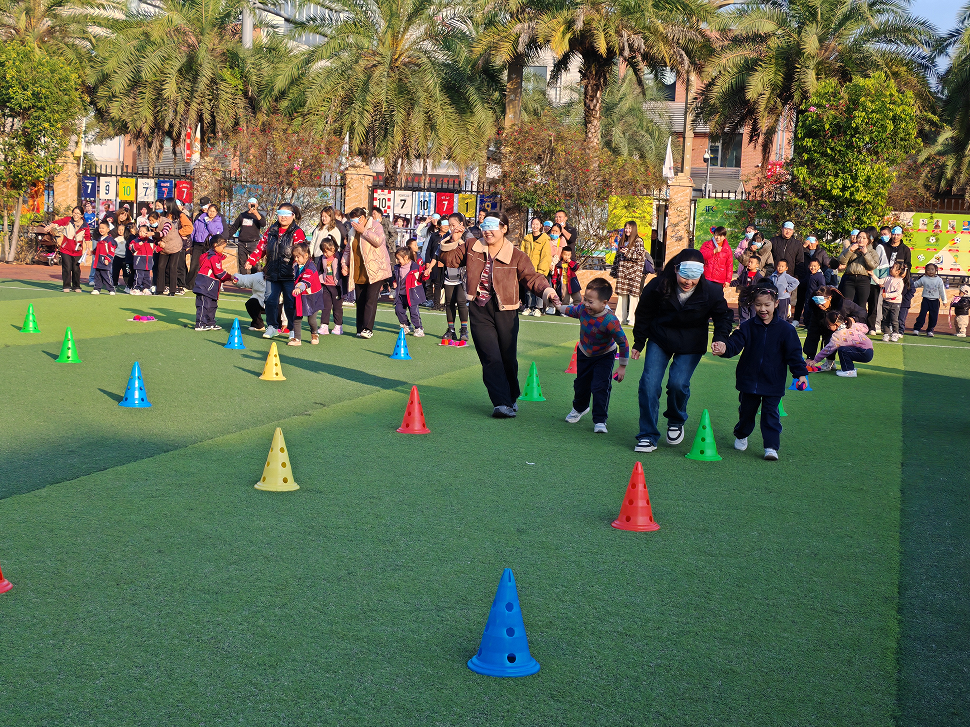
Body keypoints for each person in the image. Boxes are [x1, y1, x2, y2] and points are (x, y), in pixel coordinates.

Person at [440, 213, 561, 417]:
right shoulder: (471, 246)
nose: (487, 231)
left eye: (493, 226)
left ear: (504, 228)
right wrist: (453, 239)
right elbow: (449, 260)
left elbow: (531, 277)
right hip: (479, 308)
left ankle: (511, 396)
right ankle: (501, 403)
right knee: (490, 357)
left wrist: (548, 291)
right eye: (485, 226)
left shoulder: (516, 255)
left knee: (507, 358)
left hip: (506, 311)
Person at [630, 249, 734, 453]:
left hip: (691, 343)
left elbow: (723, 316)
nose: (689, 282)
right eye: (685, 276)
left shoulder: (711, 291)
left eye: (694, 277)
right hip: (660, 337)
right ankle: (647, 435)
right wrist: (639, 342)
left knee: (678, 383)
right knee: (649, 384)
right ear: (676, 270)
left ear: (701, 274)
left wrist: (721, 339)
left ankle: (676, 420)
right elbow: (644, 313)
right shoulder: (658, 285)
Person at [711, 284, 808, 461]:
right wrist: (723, 349)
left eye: (767, 305)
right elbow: (734, 345)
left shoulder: (786, 330)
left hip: (773, 382)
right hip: (748, 380)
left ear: (776, 304)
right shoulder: (747, 327)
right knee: (746, 412)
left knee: (771, 414)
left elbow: (794, 355)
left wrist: (801, 374)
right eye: (758, 305)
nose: (762, 309)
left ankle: (771, 447)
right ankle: (741, 434)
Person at [558, 277, 629, 434]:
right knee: (581, 384)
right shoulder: (583, 310)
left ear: (604, 303)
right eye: (585, 299)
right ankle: (580, 408)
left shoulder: (610, 320)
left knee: (600, 386)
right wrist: (558, 306)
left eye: (591, 302)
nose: (586, 304)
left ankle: (600, 420)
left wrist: (622, 366)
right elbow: (571, 310)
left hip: (604, 355)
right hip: (584, 352)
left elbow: (623, 342)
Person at [247, 203, 307, 340]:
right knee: (270, 300)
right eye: (280, 214)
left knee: (290, 302)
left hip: (290, 275)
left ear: (292, 216)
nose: (283, 217)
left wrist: (300, 268)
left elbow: (301, 252)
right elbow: (261, 247)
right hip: (272, 273)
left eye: (286, 214)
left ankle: (292, 329)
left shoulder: (297, 232)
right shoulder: (271, 230)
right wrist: (251, 260)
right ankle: (272, 327)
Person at [340, 206, 391, 339]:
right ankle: (360, 328)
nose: (353, 223)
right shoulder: (352, 232)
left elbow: (378, 241)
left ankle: (368, 329)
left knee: (370, 299)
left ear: (362, 218)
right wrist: (344, 264)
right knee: (360, 299)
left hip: (375, 270)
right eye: (351, 221)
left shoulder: (376, 226)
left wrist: (364, 231)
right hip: (359, 270)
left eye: (355, 220)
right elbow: (348, 250)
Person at [803, 285, 867, 368]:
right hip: (828, 331)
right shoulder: (816, 309)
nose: (819, 305)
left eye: (821, 301)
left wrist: (853, 319)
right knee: (827, 337)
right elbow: (812, 333)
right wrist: (810, 357)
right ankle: (830, 360)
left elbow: (862, 312)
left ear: (829, 298)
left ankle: (846, 367)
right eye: (816, 301)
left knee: (835, 341)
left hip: (847, 333)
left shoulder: (843, 304)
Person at [811, 310, 873, 377]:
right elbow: (865, 328)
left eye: (829, 325)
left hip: (864, 352)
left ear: (836, 325)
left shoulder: (837, 336)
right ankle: (848, 369)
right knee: (845, 349)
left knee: (842, 350)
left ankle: (849, 370)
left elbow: (827, 349)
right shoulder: (851, 325)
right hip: (869, 350)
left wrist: (815, 360)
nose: (827, 327)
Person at [438, 213, 470, 342]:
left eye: (453, 225)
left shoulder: (468, 236)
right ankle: (451, 329)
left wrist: (458, 239)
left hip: (462, 276)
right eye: (449, 225)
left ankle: (464, 329)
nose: (451, 228)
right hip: (449, 275)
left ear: (461, 224)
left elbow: (471, 252)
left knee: (461, 302)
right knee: (449, 302)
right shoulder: (446, 237)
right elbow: (439, 252)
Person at [192, 235, 232, 331]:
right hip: (205, 285)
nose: (223, 249)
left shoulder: (214, 257)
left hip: (212, 286)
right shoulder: (213, 257)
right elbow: (219, 273)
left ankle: (210, 323)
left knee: (212, 305)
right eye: (222, 247)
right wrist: (230, 277)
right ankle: (200, 324)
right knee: (203, 305)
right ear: (215, 245)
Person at [289, 242, 325, 346]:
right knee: (297, 317)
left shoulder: (311, 267)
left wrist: (299, 287)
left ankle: (314, 334)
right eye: (295, 256)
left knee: (311, 319)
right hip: (301, 296)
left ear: (306, 255)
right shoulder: (296, 265)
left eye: (298, 256)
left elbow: (306, 280)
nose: (296, 259)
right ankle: (297, 339)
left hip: (312, 297)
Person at [47, 206, 89, 292]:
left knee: (76, 269)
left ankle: (76, 286)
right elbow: (58, 222)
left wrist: (88, 248)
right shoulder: (68, 220)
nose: (75, 215)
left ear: (82, 215)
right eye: (74, 213)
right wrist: (50, 226)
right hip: (66, 249)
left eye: (78, 213)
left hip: (77, 250)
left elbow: (87, 237)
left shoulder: (85, 225)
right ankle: (66, 286)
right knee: (67, 267)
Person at [613, 221, 647, 326]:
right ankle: (620, 318)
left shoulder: (638, 241)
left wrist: (627, 252)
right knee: (621, 294)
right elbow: (617, 256)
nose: (627, 230)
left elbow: (640, 256)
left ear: (634, 229)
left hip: (634, 272)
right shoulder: (623, 240)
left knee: (633, 295)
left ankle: (633, 319)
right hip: (622, 272)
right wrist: (614, 270)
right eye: (626, 228)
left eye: (629, 228)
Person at [793, 235, 831, 322]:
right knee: (800, 300)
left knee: (814, 302)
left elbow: (826, 264)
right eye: (808, 242)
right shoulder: (802, 250)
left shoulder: (821, 252)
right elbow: (796, 257)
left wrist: (819, 273)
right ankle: (796, 320)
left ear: (817, 242)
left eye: (812, 242)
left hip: (815, 281)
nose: (810, 244)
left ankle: (813, 320)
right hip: (804, 277)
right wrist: (803, 247)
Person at [837, 230, 879, 308]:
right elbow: (841, 260)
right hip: (849, 278)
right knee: (846, 304)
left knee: (861, 305)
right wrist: (850, 250)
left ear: (868, 240)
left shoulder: (872, 252)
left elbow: (872, 266)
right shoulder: (851, 248)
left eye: (864, 238)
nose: (861, 240)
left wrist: (865, 253)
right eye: (859, 237)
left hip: (863, 280)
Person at [188, 203, 224, 291]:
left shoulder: (218, 222)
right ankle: (189, 285)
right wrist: (190, 244)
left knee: (207, 265)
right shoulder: (200, 219)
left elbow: (214, 232)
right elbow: (193, 231)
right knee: (194, 265)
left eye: (213, 211)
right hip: (198, 244)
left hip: (209, 245)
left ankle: (206, 284)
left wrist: (208, 222)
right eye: (210, 211)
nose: (211, 213)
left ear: (216, 213)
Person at [521, 218, 552, 315]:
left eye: (537, 224)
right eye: (533, 224)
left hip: (539, 269)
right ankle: (529, 307)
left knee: (539, 289)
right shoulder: (527, 238)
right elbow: (522, 253)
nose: (535, 226)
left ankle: (538, 308)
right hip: (528, 269)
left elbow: (546, 255)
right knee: (528, 289)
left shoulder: (545, 239)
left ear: (541, 225)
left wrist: (541, 270)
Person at [392, 247, 426, 336]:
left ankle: (419, 328)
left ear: (406, 257)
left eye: (399, 259)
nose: (397, 261)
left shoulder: (415, 267)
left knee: (414, 312)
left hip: (412, 294)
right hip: (401, 294)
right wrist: (394, 282)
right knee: (398, 310)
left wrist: (426, 274)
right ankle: (406, 325)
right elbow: (396, 278)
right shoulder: (397, 268)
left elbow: (422, 278)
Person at [227, 198, 266, 273]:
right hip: (242, 243)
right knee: (242, 264)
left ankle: (254, 280)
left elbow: (263, 224)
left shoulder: (259, 216)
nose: (251, 205)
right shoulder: (242, 215)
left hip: (253, 243)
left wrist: (256, 213)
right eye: (250, 203)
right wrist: (226, 237)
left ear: (257, 205)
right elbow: (234, 227)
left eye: (253, 203)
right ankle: (243, 279)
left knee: (254, 265)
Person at [912, 263, 947, 337]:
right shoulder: (924, 278)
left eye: (932, 269)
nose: (930, 271)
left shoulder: (939, 280)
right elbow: (916, 284)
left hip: (935, 301)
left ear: (936, 270)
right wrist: (908, 285)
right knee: (922, 315)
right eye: (928, 269)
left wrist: (944, 300)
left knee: (933, 317)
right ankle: (917, 329)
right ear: (925, 271)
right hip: (926, 300)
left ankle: (930, 330)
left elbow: (942, 291)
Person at [317, 238, 343, 335]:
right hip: (326, 286)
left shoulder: (339, 257)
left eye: (326, 251)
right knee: (325, 306)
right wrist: (320, 279)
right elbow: (319, 270)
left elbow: (344, 268)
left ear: (332, 248)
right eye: (323, 252)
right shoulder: (322, 258)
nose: (325, 254)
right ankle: (324, 325)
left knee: (337, 307)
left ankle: (338, 326)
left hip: (337, 287)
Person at [731, 256, 764, 322]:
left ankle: (753, 328)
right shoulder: (744, 274)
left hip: (754, 301)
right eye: (749, 262)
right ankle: (744, 328)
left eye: (751, 262)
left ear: (757, 265)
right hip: (743, 299)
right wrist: (729, 283)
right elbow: (738, 281)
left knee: (754, 318)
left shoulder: (759, 277)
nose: (749, 264)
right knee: (743, 318)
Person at [880, 261, 906, 342]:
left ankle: (895, 333)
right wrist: (872, 274)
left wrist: (887, 295)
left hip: (895, 303)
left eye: (893, 268)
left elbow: (898, 293)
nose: (891, 269)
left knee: (894, 319)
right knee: (885, 319)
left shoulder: (900, 281)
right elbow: (879, 281)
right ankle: (886, 334)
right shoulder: (888, 278)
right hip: (886, 302)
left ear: (898, 271)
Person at [129, 225, 157, 295]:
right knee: (138, 276)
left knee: (147, 277)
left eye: (144, 231)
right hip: (139, 262)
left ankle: (146, 288)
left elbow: (155, 249)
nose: (141, 233)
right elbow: (131, 249)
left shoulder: (151, 241)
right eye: (140, 231)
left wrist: (161, 247)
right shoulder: (135, 241)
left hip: (148, 262)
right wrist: (138, 245)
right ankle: (136, 288)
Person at [91, 220, 116, 295]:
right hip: (98, 261)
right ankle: (97, 289)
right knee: (97, 276)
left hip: (105, 261)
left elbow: (111, 251)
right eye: (100, 228)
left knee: (106, 276)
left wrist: (107, 259)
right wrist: (92, 252)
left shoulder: (109, 240)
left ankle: (111, 289)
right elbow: (97, 249)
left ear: (108, 229)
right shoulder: (99, 239)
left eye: (103, 228)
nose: (101, 230)